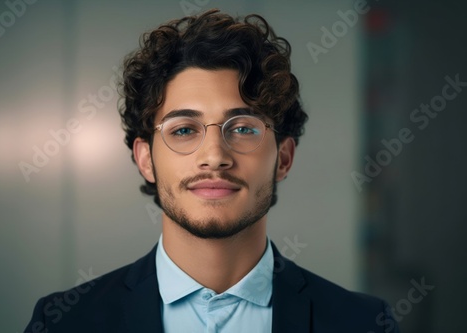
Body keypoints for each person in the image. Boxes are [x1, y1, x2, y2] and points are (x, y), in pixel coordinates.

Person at [24, 9, 399, 333]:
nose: (215, 156)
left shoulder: (363, 322)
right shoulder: (62, 322)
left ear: (283, 159)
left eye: (243, 128)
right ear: (145, 159)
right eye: (184, 130)